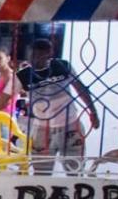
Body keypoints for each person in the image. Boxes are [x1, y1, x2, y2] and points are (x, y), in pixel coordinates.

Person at [15, 38, 100, 174]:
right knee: (41, 172)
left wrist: (93, 112)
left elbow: (81, 89)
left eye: (39, 56)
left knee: (75, 170)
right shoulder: (23, 75)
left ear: (49, 54)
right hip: (42, 128)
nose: (35, 60)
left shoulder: (63, 66)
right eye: (32, 56)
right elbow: (4, 98)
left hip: (70, 125)